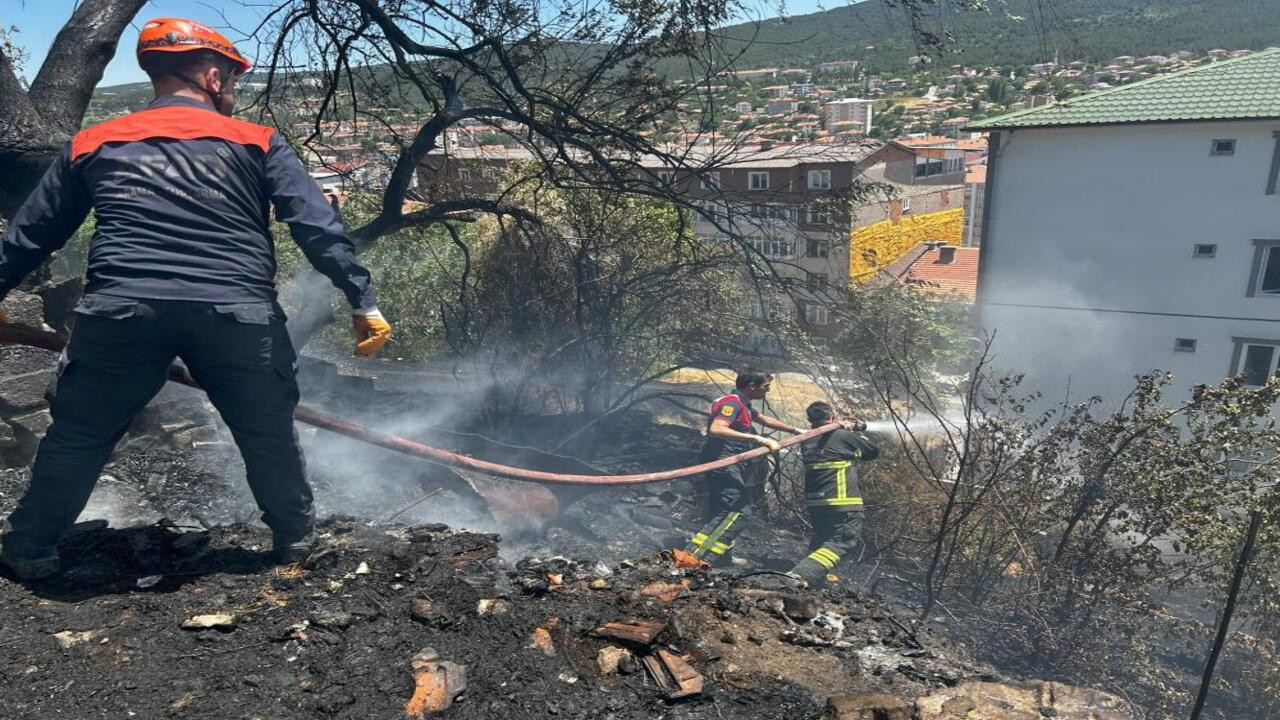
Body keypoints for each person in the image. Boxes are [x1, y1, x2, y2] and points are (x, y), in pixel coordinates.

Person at [0, 18, 392, 580]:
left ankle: (30, 547)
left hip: (121, 311)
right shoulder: (257, 142)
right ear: (212, 76)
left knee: (81, 433)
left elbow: (33, 234)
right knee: (265, 429)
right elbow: (316, 226)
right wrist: (362, 298)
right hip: (235, 314)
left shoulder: (93, 142)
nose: (231, 89)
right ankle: (294, 539)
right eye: (231, 78)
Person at [685, 368, 804, 564]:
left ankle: (719, 557)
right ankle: (697, 556)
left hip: (729, 463)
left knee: (722, 509)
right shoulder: (732, 403)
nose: (767, 391)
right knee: (738, 510)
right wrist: (756, 437)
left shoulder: (744, 404)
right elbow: (717, 429)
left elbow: (765, 419)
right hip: (723, 462)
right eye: (765, 387)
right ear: (752, 386)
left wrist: (796, 430)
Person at [786, 401, 879, 586]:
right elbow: (873, 452)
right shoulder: (842, 435)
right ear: (832, 417)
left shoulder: (807, 438)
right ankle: (801, 575)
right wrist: (855, 431)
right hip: (842, 500)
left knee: (823, 537)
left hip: (815, 502)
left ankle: (815, 577)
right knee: (844, 539)